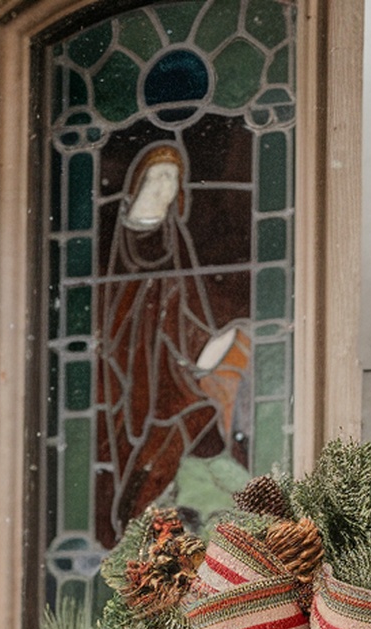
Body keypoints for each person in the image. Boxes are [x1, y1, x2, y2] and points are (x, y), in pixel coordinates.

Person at [98, 142, 251, 540]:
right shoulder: (117, 250)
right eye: (159, 176)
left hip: (169, 370)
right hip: (127, 373)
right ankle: (137, 522)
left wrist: (205, 347)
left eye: (173, 179)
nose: (166, 186)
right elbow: (116, 318)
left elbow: (187, 308)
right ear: (140, 182)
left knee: (196, 418)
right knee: (137, 442)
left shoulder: (174, 239)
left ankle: (207, 523)